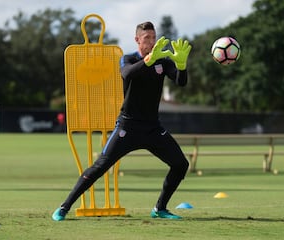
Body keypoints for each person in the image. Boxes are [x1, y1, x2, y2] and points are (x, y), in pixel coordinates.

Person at [53, 21, 192, 221]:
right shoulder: (128, 59)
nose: (152, 42)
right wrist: (149, 59)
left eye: (153, 38)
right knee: (99, 167)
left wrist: (181, 65)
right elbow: (126, 73)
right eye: (147, 39)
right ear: (137, 40)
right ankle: (64, 207)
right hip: (127, 127)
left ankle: (160, 208)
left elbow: (181, 82)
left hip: (153, 128)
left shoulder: (163, 61)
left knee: (180, 165)